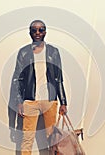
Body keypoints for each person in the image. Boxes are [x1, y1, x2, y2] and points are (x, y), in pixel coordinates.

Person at [8, 20, 67, 155]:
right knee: (27, 139)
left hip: (50, 101)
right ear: (30, 33)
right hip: (30, 101)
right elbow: (17, 78)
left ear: (45, 31)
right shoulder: (23, 53)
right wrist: (19, 101)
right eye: (34, 30)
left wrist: (63, 102)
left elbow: (59, 78)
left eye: (41, 29)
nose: (38, 33)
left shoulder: (54, 52)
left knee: (52, 141)